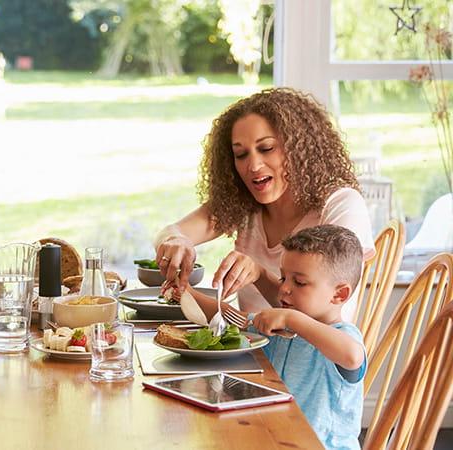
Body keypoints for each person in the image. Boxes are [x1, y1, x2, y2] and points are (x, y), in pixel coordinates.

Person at [154, 87, 374, 322]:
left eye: (266, 148)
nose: (253, 166)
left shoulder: (341, 205)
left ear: (299, 148)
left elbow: (320, 319)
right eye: (241, 155)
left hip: (310, 356)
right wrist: (176, 242)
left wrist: (259, 274)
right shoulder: (243, 204)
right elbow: (169, 233)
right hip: (252, 351)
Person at [251, 225, 366, 450]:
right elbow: (234, 320)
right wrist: (185, 293)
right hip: (275, 440)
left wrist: (292, 319)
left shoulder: (342, 336)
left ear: (339, 294)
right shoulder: (283, 325)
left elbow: (352, 357)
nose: (283, 288)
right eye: (283, 277)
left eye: (299, 282)